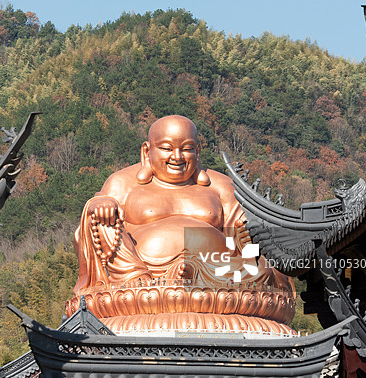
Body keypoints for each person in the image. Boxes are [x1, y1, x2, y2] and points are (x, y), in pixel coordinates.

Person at [70, 115, 295, 333]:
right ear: (147, 151)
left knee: (262, 266)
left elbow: (243, 230)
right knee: (98, 217)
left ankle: (181, 285)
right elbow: (92, 224)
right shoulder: (122, 182)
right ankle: (137, 282)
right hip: (138, 279)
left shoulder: (221, 185)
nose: (177, 157)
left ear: (198, 151)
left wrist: (245, 239)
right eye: (166, 148)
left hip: (215, 276)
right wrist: (100, 204)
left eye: (186, 149)